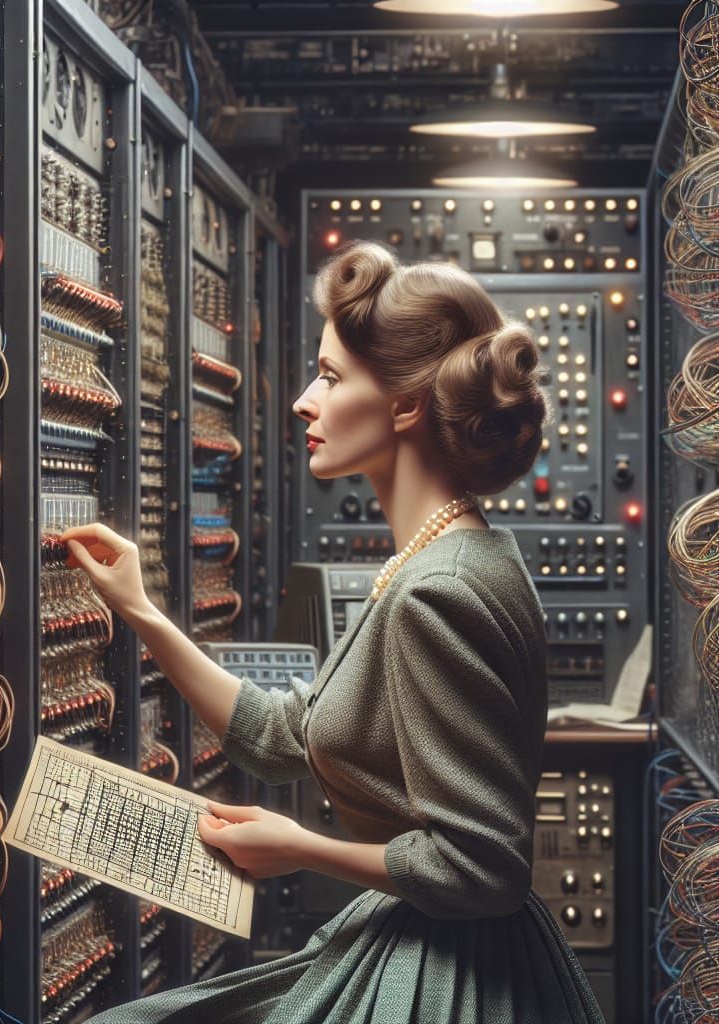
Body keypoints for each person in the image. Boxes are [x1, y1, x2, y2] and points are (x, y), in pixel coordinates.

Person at [61, 240, 605, 1023]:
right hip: (426, 941)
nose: (303, 402)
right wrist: (142, 612)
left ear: (408, 404)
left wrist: (298, 848)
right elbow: (286, 738)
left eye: (331, 377)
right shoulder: (449, 557)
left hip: (450, 972)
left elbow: (485, 869)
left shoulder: (437, 591)